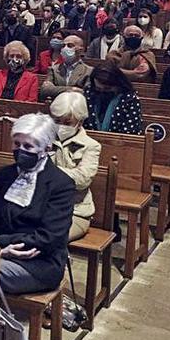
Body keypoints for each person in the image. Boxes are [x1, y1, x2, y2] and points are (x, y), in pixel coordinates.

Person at [0, 114, 75, 294]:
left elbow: (49, 238)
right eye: (16, 144)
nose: (20, 150)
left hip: (39, 262)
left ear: (46, 148)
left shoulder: (61, 184)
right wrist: (0, 249)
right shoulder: (4, 174)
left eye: (28, 146)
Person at [49, 92, 100, 243]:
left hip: (75, 212)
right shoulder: (43, 138)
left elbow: (82, 180)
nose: (61, 126)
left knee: (48, 237)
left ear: (80, 121)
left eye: (67, 122)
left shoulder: (91, 146)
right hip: (43, 206)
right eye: (57, 121)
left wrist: (47, 171)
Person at [82, 64, 144, 134]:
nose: (102, 92)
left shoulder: (130, 99)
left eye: (107, 89)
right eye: (98, 88)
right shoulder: (89, 93)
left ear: (117, 85)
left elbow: (131, 131)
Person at [40, 34, 93, 99]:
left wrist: (55, 89)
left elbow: (86, 93)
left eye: (70, 45)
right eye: (63, 46)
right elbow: (45, 91)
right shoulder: (53, 69)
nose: (65, 48)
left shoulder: (88, 71)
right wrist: (72, 89)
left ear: (81, 51)